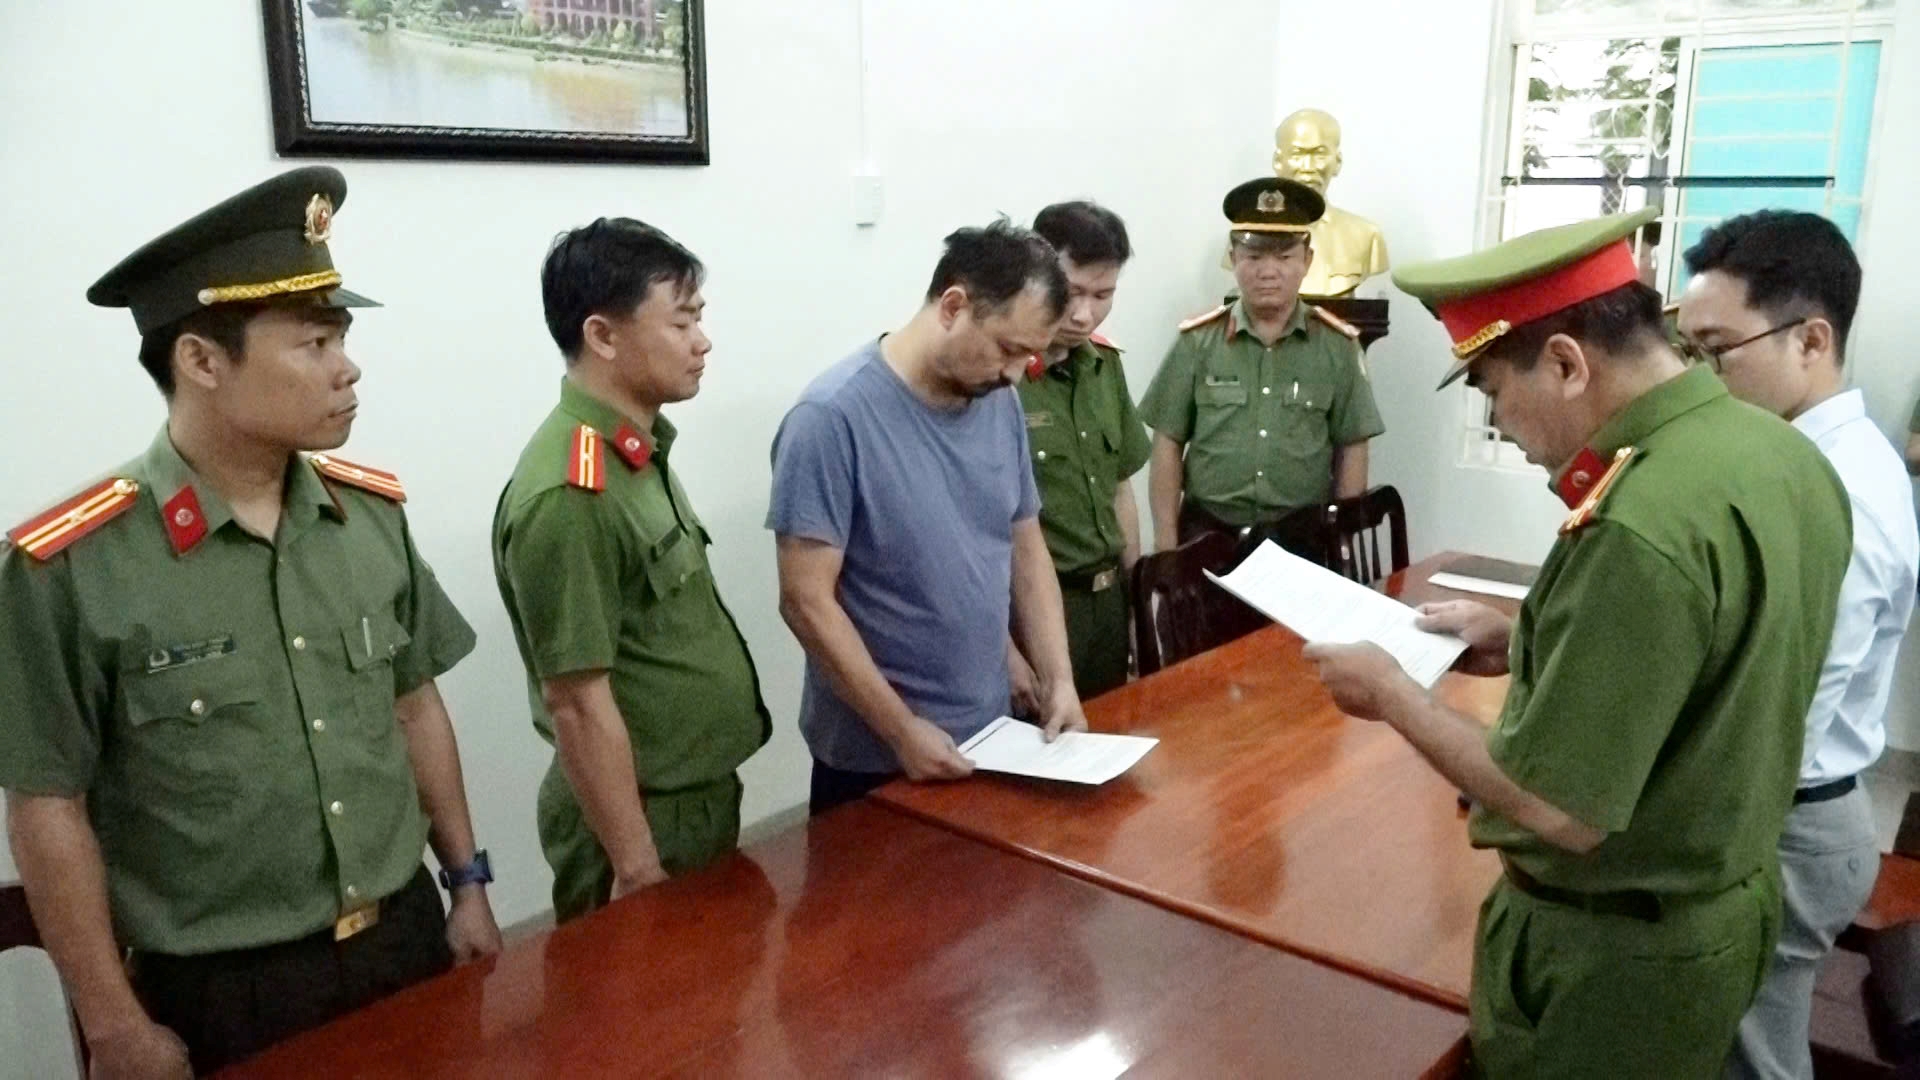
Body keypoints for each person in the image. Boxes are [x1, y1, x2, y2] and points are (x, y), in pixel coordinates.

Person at [1304, 208, 1852, 1078]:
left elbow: (1560, 808)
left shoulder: (1637, 522)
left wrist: (1393, 695)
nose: (1501, 423)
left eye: (1493, 391)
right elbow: (1715, 656)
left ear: (1566, 363)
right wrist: (1531, 637)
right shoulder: (1778, 454)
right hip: (1718, 911)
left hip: (1614, 960)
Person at [0, 167, 502, 1078]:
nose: (347, 367)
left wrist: (467, 882)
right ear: (201, 361)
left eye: (341, 338)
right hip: (225, 991)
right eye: (314, 343)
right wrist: (113, 1026)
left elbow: (414, 706)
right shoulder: (70, 567)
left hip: (404, 940)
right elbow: (45, 804)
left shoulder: (368, 519)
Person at [1676, 209, 1918, 1080]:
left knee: (1752, 1060)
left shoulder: (1838, 491)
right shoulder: (1793, 459)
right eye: (1689, 351)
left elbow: (1783, 718)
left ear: (1811, 340)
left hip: (1784, 826)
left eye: (1717, 351)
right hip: (1780, 811)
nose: (1700, 378)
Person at [492, 218, 770, 924]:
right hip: (638, 825)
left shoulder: (633, 453)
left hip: (691, 801)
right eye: (681, 322)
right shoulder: (571, 490)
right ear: (603, 336)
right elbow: (576, 702)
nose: (702, 341)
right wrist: (636, 863)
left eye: (699, 318)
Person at [769, 219, 1087, 816]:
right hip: (874, 758)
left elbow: (1025, 546)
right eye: (1007, 349)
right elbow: (806, 602)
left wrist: (1059, 679)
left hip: (992, 737)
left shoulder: (998, 401)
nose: (1014, 373)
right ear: (953, 306)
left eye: (1029, 357)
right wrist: (899, 730)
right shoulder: (830, 418)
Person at [1141, 177, 1383, 554]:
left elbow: (1352, 445)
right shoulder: (1197, 342)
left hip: (1303, 542)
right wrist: (1166, 546)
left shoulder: (1337, 346)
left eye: (1284, 257)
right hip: (1208, 538)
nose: (1268, 271)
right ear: (1234, 259)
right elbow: (1168, 442)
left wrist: (1343, 539)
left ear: (1307, 260)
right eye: (1254, 257)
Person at [1012, 200, 1152, 700]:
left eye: (1103, 295)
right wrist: (1003, 648)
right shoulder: (1001, 376)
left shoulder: (1104, 366)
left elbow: (1120, 489)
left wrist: (1136, 599)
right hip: (1031, 609)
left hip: (1107, 604)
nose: (1084, 314)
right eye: (1072, 292)